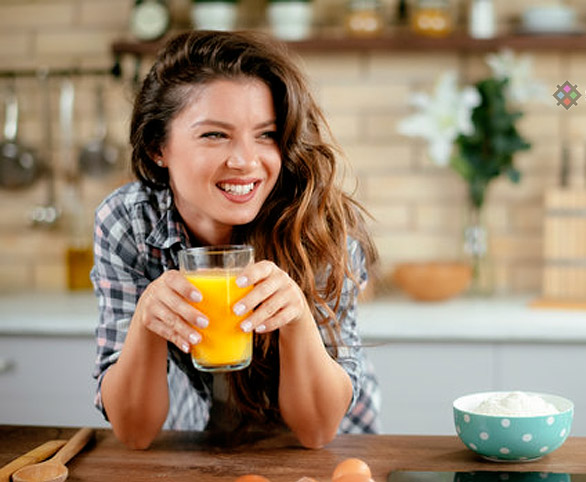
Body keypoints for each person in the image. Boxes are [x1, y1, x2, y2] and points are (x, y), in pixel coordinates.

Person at [91, 30, 380, 450]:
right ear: (158, 147)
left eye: (266, 135)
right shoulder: (128, 223)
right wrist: (146, 321)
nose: (245, 161)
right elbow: (134, 432)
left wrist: (297, 316)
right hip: (205, 441)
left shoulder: (317, 224)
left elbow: (317, 431)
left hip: (332, 451)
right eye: (214, 135)